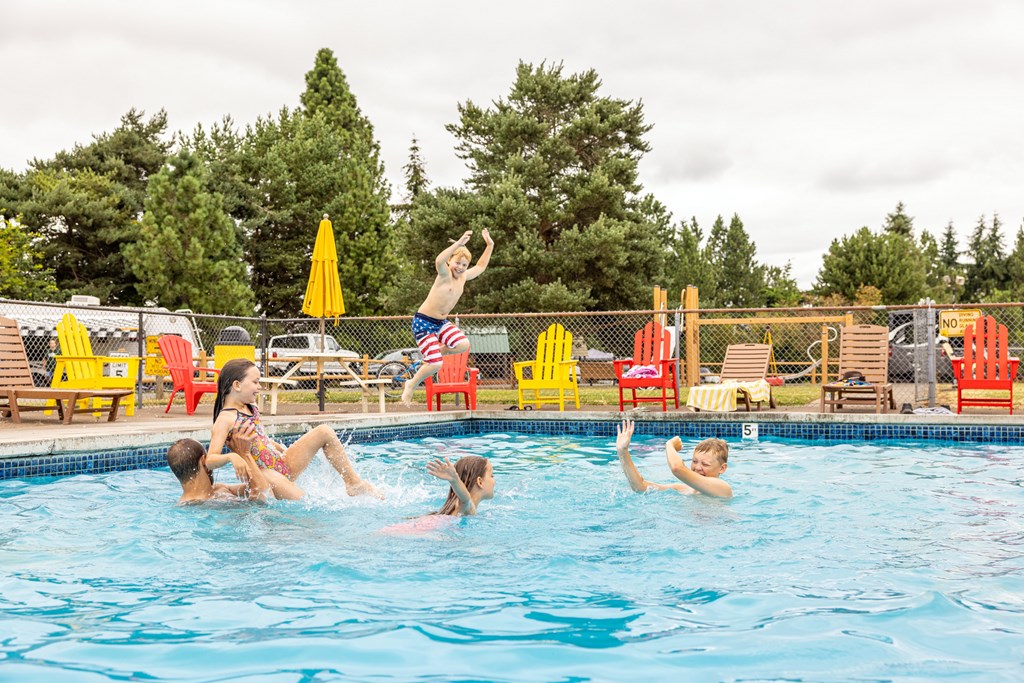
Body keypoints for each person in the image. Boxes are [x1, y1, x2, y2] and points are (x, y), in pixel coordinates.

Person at [205, 358, 380, 499]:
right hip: (266, 476)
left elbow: (258, 437)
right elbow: (210, 459)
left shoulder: (249, 407)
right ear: (237, 385)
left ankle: (353, 483)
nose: (259, 387)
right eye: (255, 382)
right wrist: (232, 457)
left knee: (324, 431)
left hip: (282, 463)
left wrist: (274, 445)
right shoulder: (225, 419)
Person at [400, 229, 495, 406]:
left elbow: (481, 267)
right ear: (450, 261)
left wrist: (490, 245)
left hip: (440, 323)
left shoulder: (464, 277)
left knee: (463, 344)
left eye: (464, 265)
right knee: (436, 365)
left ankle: (436, 353)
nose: (460, 267)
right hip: (423, 322)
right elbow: (438, 260)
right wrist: (458, 244)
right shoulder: (444, 275)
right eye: (457, 263)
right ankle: (411, 385)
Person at [615, 419, 732, 498]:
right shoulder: (685, 489)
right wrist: (623, 451)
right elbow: (640, 488)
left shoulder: (722, 488)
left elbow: (677, 468)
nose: (697, 467)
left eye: (705, 464)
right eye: (695, 461)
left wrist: (669, 444)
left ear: (722, 468)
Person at [167, 437, 278, 505]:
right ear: (203, 461)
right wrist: (244, 454)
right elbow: (265, 498)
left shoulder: (219, 489)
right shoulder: (204, 508)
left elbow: (260, 488)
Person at [426, 455, 495, 515]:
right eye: (491, 476)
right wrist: (454, 480)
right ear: (480, 482)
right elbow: (466, 500)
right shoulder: (467, 507)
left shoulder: (457, 507)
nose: (494, 481)